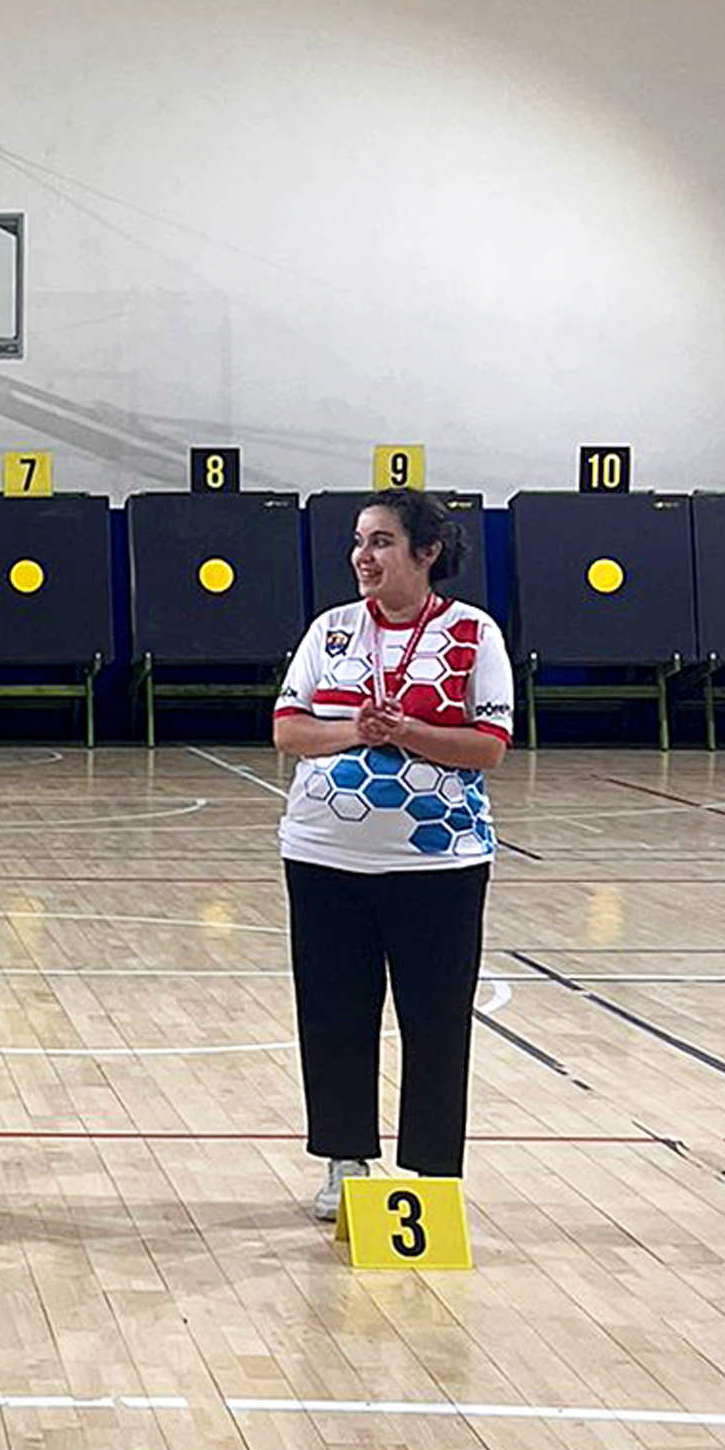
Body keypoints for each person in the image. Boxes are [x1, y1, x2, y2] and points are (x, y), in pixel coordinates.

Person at [272, 489, 513, 1220]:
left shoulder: (473, 634)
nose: (363, 557)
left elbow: (488, 747)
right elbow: (288, 729)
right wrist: (358, 730)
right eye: (358, 541)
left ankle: (431, 1176)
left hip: (440, 864)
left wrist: (407, 731)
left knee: (437, 1019)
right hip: (323, 857)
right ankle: (344, 1160)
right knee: (334, 1014)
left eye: (380, 541)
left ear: (426, 551)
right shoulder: (331, 630)